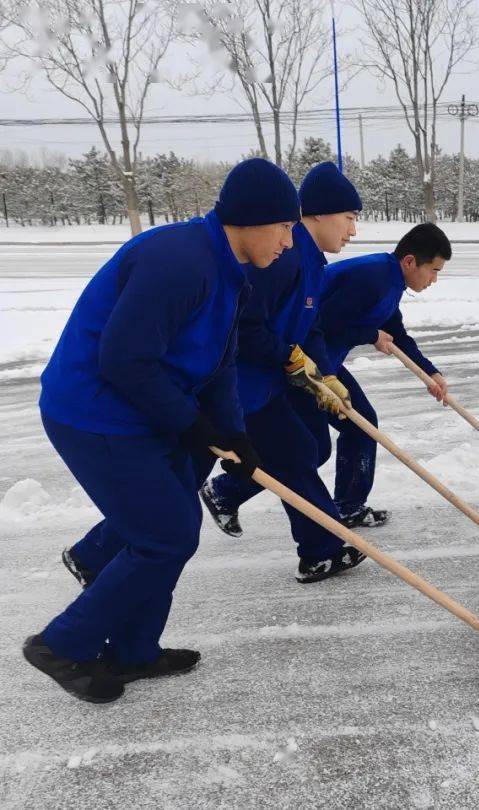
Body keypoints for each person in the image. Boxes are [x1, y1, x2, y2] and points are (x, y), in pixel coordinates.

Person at [25, 158, 293, 703]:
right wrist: (192, 425)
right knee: (165, 534)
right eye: (286, 227)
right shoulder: (179, 259)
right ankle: (61, 644)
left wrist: (233, 434)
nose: (290, 242)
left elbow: (221, 361)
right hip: (95, 411)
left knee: (167, 526)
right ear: (250, 219)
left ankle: (132, 651)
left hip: (142, 408)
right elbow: (123, 359)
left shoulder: (228, 273)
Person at [199, 162, 368, 583]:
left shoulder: (311, 264)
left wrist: (326, 376)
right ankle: (321, 549)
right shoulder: (283, 260)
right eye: (349, 219)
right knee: (294, 456)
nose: (353, 231)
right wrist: (289, 359)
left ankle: (227, 492)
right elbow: (245, 324)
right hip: (243, 386)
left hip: (270, 382)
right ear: (318, 214)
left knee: (310, 450)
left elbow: (310, 327)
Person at [316, 223, 451, 527]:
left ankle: (349, 506)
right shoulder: (373, 277)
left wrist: (430, 373)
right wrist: (370, 334)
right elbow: (322, 319)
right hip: (306, 364)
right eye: (433, 270)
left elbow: (396, 333)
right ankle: (227, 490)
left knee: (361, 425)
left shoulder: (390, 280)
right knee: (308, 447)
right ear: (410, 261)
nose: (434, 279)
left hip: (327, 362)